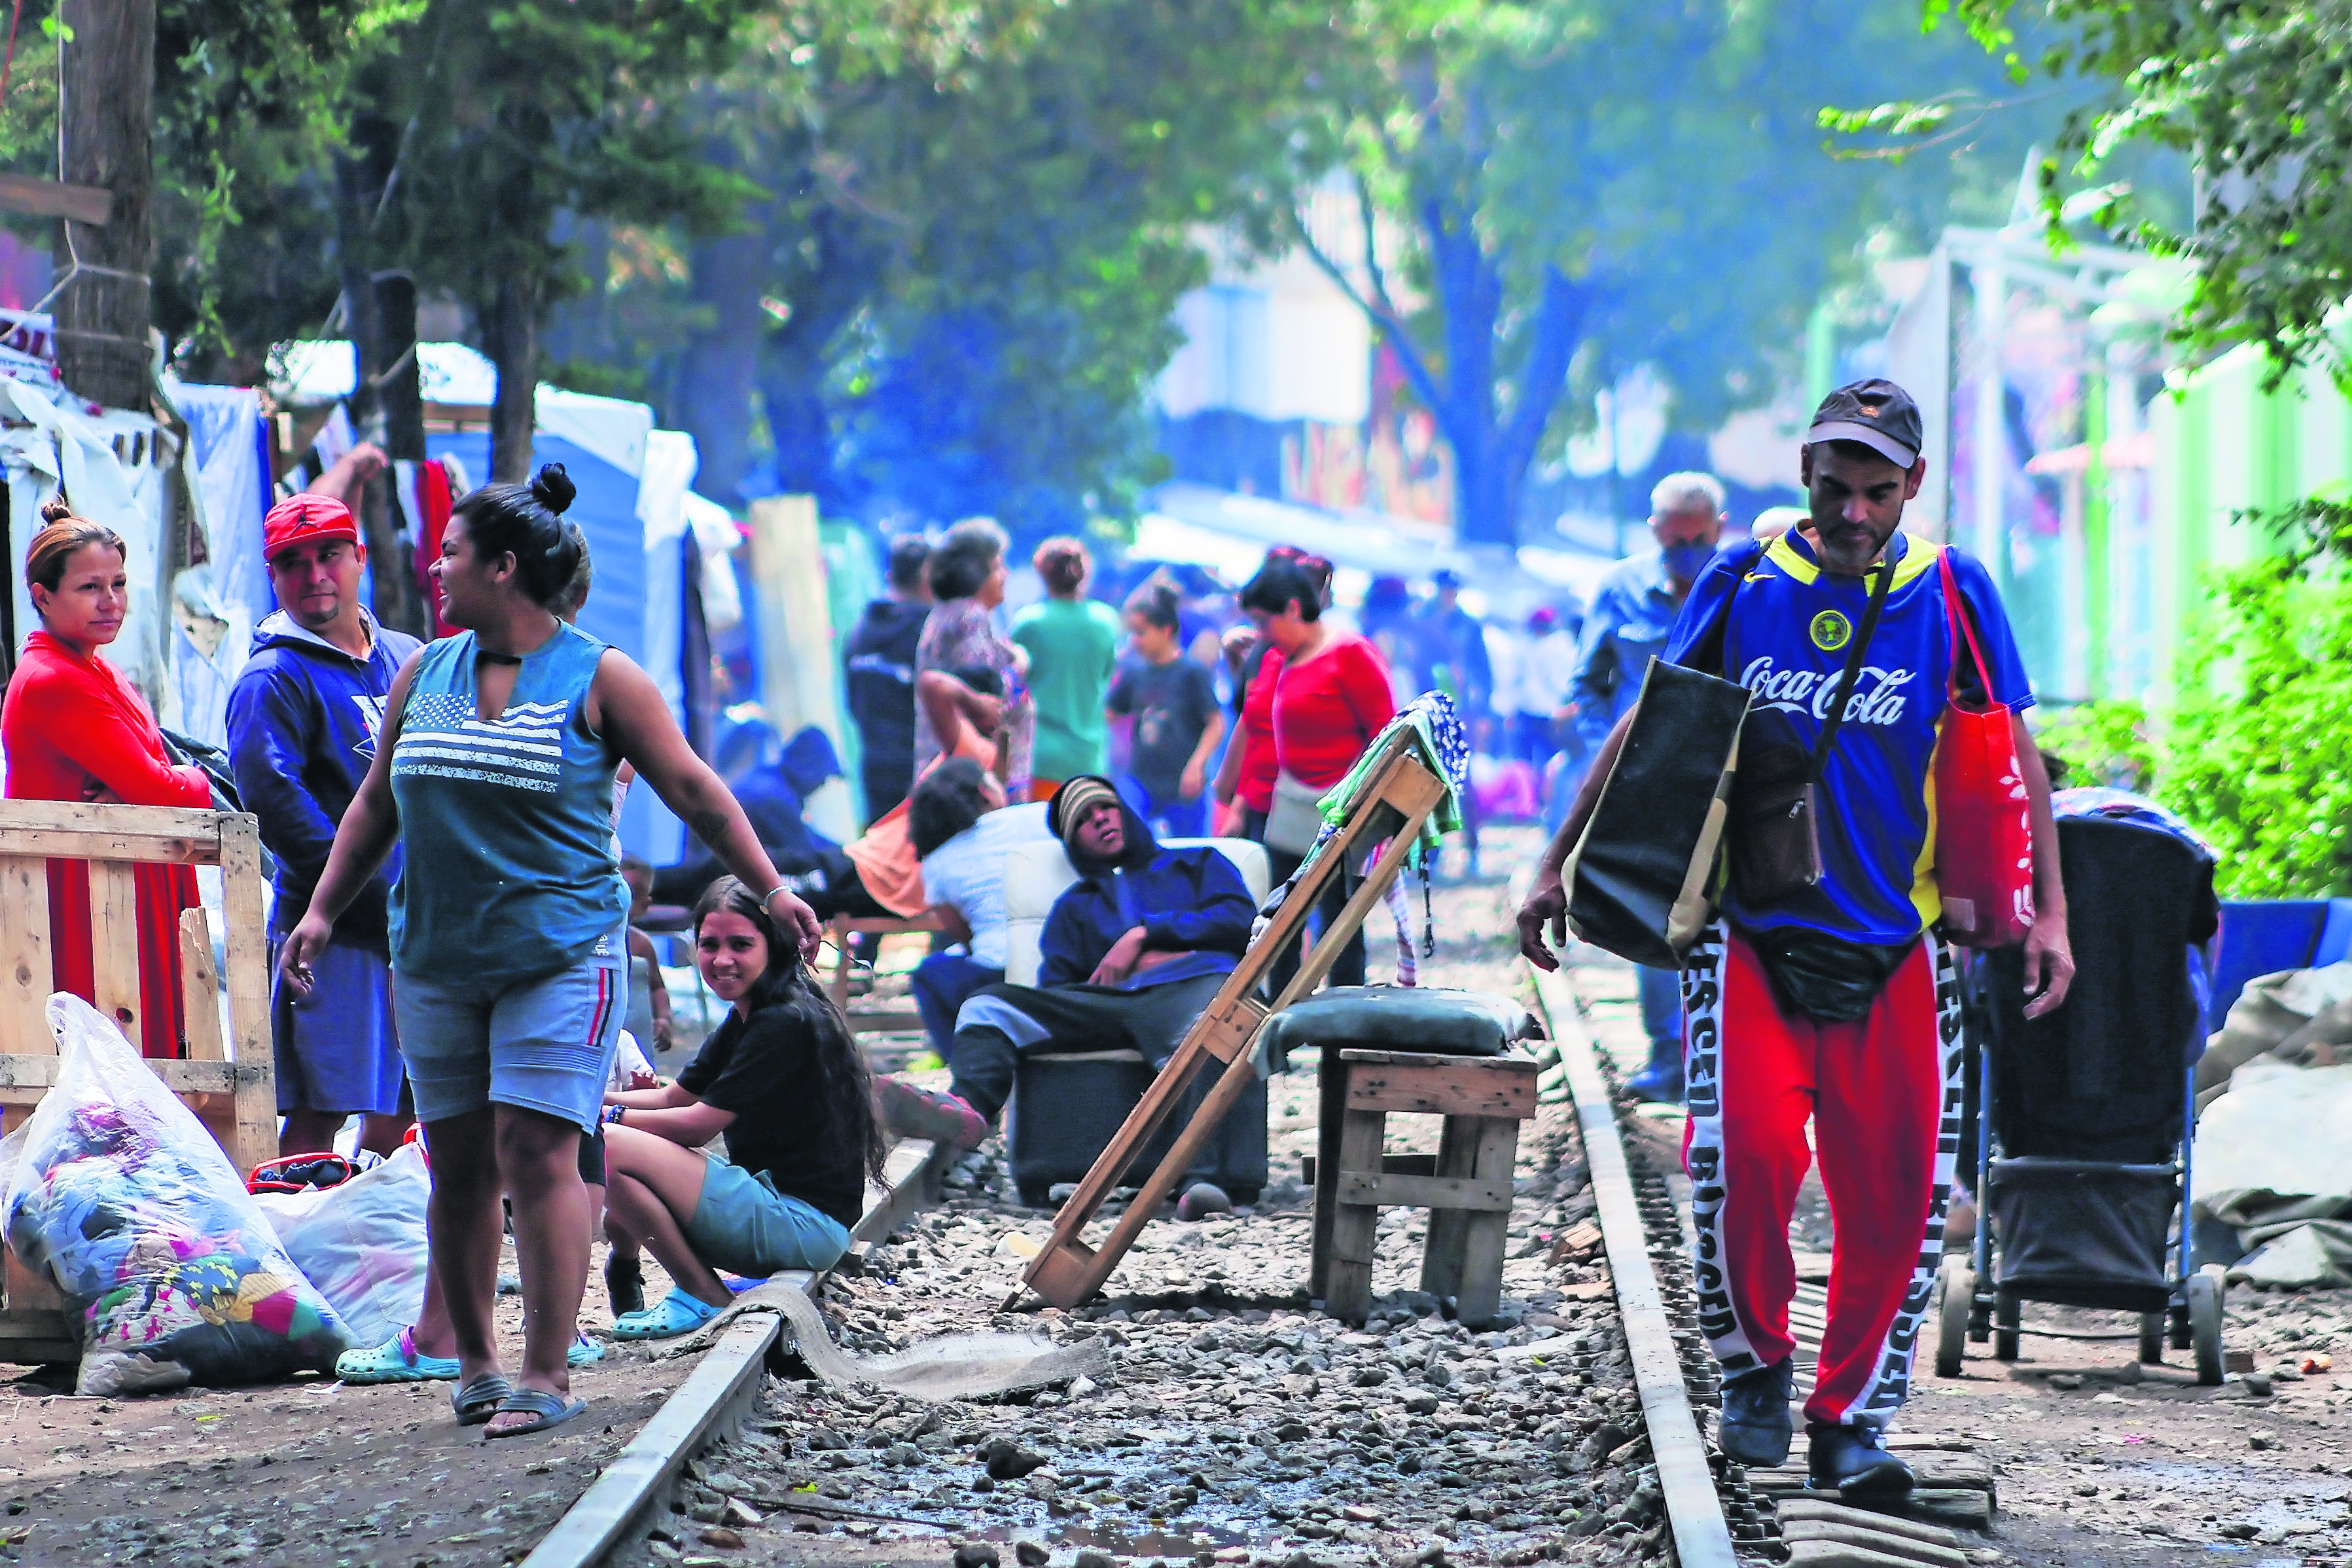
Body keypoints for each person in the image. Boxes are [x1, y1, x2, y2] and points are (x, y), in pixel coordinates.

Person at [1516, 381, 2076, 1495]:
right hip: (1752, 940)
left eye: (1875, 490)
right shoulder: (1737, 584)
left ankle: (1850, 1420)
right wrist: (1551, 859)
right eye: (1834, 487)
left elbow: (2013, 756)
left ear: (1910, 485)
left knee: (1896, 1198)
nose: (1852, 511)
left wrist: (2046, 909)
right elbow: (1649, 720)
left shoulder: (1954, 595)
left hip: (1898, 947)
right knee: (1744, 1163)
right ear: (1804, 475)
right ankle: (1756, 1371)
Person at [279, 464, 825, 1440]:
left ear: (502, 567)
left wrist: (776, 887)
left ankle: (545, 1372)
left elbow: (697, 791)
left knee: (535, 1147)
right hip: (435, 957)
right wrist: (321, 914)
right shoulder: (423, 672)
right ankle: (476, 1364)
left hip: (562, 956)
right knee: (455, 1161)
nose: (433, 566)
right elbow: (374, 807)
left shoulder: (601, 676)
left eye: (449, 551)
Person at [935, 777, 1253, 1207]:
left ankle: (1198, 1181)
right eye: (1083, 819)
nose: (1099, 818)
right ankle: (966, 1112)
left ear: (1124, 811)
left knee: (1217, 1021)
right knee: (987, 1005)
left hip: (1190, 988)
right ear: (1074, 843)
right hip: (1106, 1006)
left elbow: (1241, 919)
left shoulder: (1197, 864)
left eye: (1105, 807)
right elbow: (1057, 987)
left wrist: (1145, 935)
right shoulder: (1075, 905)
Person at [594, 877, 890, 1338]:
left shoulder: (781, 1023)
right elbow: (675, 1097)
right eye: (709, 944)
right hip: (787, 1212)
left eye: (741, 944)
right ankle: (666, 1279)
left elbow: (695, 1126)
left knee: (605, 1146)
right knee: (607, 1144)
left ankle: (702, 1297)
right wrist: (584, 1097)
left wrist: (604, 1118)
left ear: (772, 945)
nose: (722, 959)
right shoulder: (754, 1011)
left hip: (802, 1226)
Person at [226, 493, 426, 1156]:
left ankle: (391, 1255)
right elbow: (280, 809)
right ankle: (295, 1251)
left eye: (330, 555)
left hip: (422, 927)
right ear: (273, 576)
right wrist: (365, 897)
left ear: (360, 558)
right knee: (321, 1107)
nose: (314, 574)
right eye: (294, 561)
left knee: (406, 1105)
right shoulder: (272, 678)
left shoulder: (407, 656)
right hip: (332, 930)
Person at [1, 498, 214, 1058]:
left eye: (118, 584)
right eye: (90, 588)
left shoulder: (94, 666)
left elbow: (148, 781)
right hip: (82, 906)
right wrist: (192, 777)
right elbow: (164, 791)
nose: (111, 602)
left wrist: (154, 780)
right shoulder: (53, 680)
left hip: (114, 892)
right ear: (43, 596)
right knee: (104, 1081)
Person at [1567, 471, 1731, 1103]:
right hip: (1642, 785)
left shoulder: (1745, 585)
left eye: (1698, 540)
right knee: (1652, 919)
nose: (1687, 554)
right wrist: (1604, 760)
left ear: (1719, 530)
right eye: (1674, 543)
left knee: (1715, 924)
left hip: (1724, 784)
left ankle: (1712, 1058)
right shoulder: (1620, 588)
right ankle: (1669, 1058)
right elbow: (1588, 682)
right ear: (1654, 534)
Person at [1233, 556, 1395, 993]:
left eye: (1264, 621)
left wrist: (1367, 809)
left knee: (1339, 928)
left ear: (1291, 609)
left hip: (1341, 811)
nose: (1261, 633)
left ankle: (1340, 1034)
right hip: (1288, 805)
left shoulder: (1349, 653)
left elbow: (1387, 734)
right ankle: (1277, 1031)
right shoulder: (1277, 659)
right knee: (1280, 923)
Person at [907, 758, 1054, 1058]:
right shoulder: (1041, 816)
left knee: (928, 974)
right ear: (985, 793)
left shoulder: (935, 863)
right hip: (1062, 966)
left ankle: (966, 1070)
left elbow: (967, 938)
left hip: (997, 979)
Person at [915, 518, 1032, 795]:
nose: (1006, 575)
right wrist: (1019, 669)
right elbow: (986, 699)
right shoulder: (970, 617)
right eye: (998, 567)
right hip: (975, 783)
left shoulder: (944, 615)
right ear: (975, 574)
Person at [1107, 582, 1225, 839]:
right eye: (1132, 633)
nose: (1135, 640)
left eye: (1141, 632)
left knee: (1188, 854)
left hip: (1182, 784)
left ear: (1166, 630)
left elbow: (1215, 723)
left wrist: (1197, 764)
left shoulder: (1191, 673)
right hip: (1141, 779)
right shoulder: (1135, 672)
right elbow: (1111, 713)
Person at [1011, 537, 1120, 802]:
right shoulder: (1105, 622)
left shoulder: (1029, 623)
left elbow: (1014, 683)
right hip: (1089, 757)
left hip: (1041, 756)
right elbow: (1107, 676)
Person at [843, 535, 933, 823]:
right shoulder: (929, 632)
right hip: (921, 765)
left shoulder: (861, 631)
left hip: (873, 760)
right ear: (926, 575)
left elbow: (852, 701)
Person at [619, 855, 675, 1056]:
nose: (620, 900)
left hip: (634, 1038)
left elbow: (657, 987)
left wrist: (664, 1018)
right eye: (615, 891)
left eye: (631, 895)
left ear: (644, 905)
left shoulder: (640, 944)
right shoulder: (585, 941)